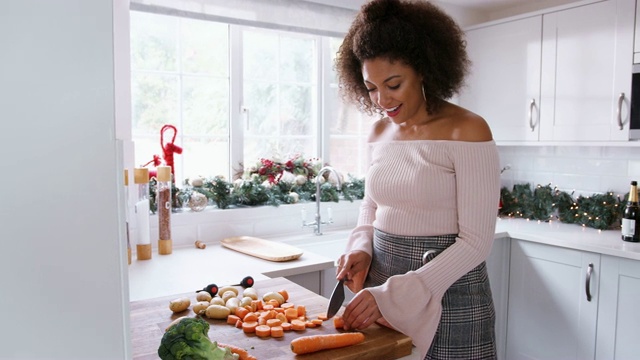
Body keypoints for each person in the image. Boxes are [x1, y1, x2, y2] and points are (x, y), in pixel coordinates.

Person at [334, 0, 501, 359]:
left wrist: (397, 297)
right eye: (371, 88)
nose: (382, 100)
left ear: (423, 70)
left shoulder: (467, 129)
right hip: (381, 285)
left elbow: (476, 242)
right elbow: (372, 204)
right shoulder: (379, 131)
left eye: (393, 84)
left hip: (450, 293)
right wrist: (361, 247)